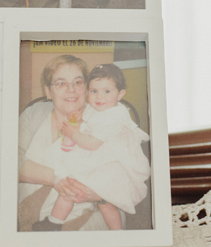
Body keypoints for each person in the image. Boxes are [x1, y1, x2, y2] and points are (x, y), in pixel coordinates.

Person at [37, 64, 151, 231]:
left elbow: (92, 143)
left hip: (110, 165)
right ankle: (54, 222)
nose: (99, 97)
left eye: (107, 91)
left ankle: (57, 222)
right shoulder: (97, 109)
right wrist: (77, 121)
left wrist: (73, 133)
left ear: (120, 94)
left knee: (79, 189)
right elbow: (88, 124)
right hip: (99, 160)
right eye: (94, 91)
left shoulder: (114, 116)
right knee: (79, 192)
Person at [16, 55, 109, 231]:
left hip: (87, 213)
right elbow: (10, 161)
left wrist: (99, 194)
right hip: (27, 214)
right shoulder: (33, 115)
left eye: (78, 82)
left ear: (87, 88)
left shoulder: (103, 121)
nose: (71, 90)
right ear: (48, 92)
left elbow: (124, 171)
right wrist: (56, 177)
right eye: (61, 83)